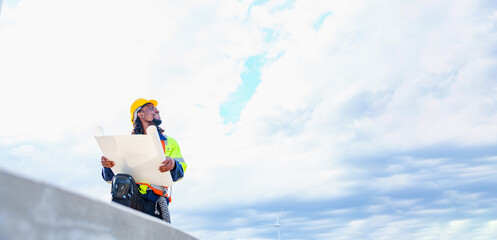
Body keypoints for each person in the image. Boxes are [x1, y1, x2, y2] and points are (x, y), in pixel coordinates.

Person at [100, 98, 187, 223]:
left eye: (155, 108)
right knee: (121, 180)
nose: (157, 110)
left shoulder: (170, 142)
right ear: (140, 114)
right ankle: (118, 226)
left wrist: (173, 165)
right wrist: (107, 165)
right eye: (151, 108)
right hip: (133, 200)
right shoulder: (127, 143)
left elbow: (180, 173)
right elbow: (110, 179)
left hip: (156, 203)